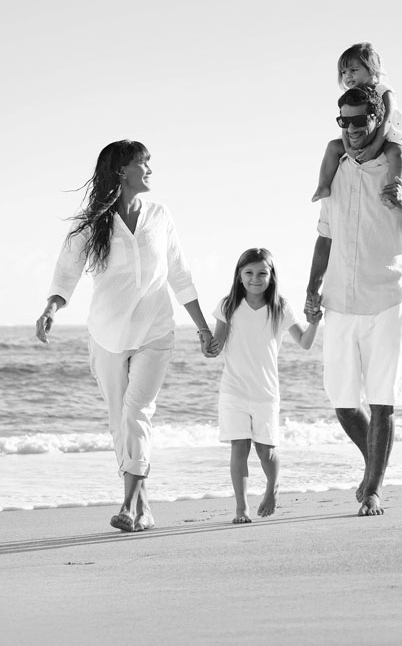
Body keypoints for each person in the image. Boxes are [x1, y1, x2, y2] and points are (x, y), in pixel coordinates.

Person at [35, 140, 217, 532]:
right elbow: (66, 271)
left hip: (155, 330)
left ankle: (127, 503)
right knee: (121, 423)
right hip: (107, 334)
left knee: (137, 413)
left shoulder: (159, 215)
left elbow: (180, 274)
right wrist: (51, 307)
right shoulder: (91, 223)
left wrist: (203, 327)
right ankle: (144, 509)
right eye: (142, 164)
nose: (150, 170)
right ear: (121, 172)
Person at [306, 86, 402, 516]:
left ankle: (373, 489)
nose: (350, 130)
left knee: (382, 401)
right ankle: (375, 467)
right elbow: (324, 233)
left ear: (377, 119)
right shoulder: (337, 170)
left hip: (388, 299)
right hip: (340, 301)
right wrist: (312, 287)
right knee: (344, 404)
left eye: (359, 121)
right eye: (342, 121)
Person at [211, 248, 321, 524]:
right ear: (239, 276)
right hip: (233, 390)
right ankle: (241, 509)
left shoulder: (280, 308)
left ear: (272, 276)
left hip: (265, 393)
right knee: (239, 448)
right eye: (248, 273)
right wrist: (205, 341)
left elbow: (305, 343)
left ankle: (272, 488)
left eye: (262, 273)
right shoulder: (228, 306)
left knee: (265, 452)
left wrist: (315, 322)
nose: (255, 278)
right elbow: (215, 347)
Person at [312, 42, 402, 202]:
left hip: (387, 134)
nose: (348, 76)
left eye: (353, 70)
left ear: (371, 69)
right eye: (343, 72)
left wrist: (374, 147)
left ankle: (393, 190)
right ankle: (323, 186)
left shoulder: (382, 89)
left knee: (396, 152)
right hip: (363, 135)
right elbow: (346, 126)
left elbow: (386, 120)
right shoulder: (352, 96)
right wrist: (347, 148)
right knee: (332, 147)